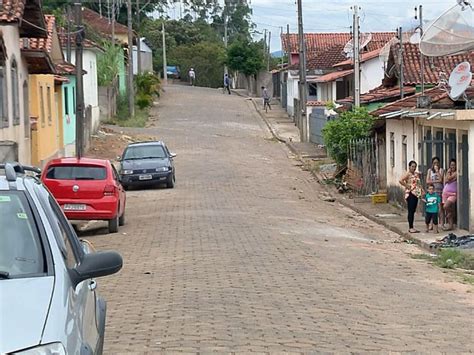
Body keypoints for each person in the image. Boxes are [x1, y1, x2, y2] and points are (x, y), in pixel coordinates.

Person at [399, 160, 423, 233]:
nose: (414, 168)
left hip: (416, 193)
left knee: (413, 210)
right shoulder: (408, 174)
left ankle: (412, 226)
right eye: (412, 166)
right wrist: (407, 186)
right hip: (410, 193)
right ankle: (411, 227)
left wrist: (422, 190)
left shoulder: (416, 174)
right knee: (411, 210)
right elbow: (400, 180)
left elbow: (418, 183)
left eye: (415, 167)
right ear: (409, 167)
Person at [426, 156, 444, 228]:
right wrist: (434, 181)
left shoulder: (441, 170)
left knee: (440, 208)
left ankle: (442, 224)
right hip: (431, 191)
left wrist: (437, 172)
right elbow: (427, 181)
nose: (436, 164)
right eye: (434, 163)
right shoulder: (429, 171)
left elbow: (441, 180)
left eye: (437, 163)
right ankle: (432, 224)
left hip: (439, 190)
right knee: (431, 207)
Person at [442, 159, 457, 231]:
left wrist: (448, 173)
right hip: (445, 192)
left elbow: (448, 178)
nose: (452, 166)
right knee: (447, 210)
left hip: (453, 194)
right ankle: (450, 226)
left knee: (446, 206)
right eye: (451, 165)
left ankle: (452, 212)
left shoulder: (456, 173)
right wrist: (449, 175)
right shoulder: (450, 172)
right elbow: (446, 180)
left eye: (453, 165)